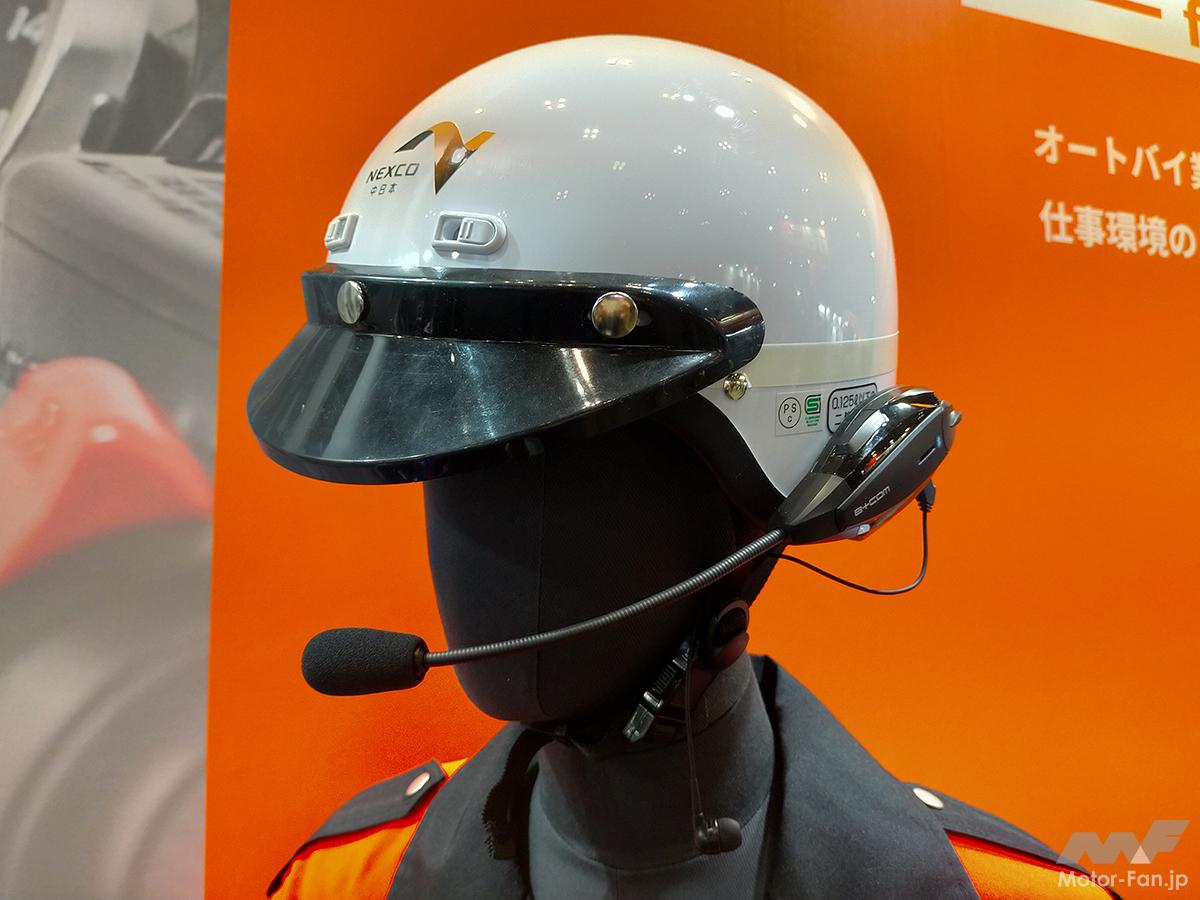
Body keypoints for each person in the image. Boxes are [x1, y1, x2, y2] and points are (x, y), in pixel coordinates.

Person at [249, 35, 1115, 899]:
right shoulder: (343, 881)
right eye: (453, 454)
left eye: (570, 451)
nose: (481, 538)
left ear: (815, 475)